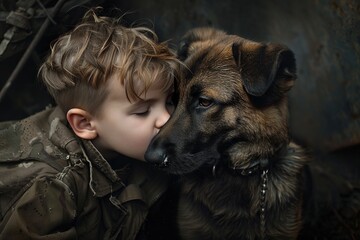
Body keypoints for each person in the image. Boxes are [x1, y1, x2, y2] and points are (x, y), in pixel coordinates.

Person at [0, 7, 181, 240]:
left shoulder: (120, 140)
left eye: (169, 101)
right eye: (143, 111)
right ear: (84, 124)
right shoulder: (49, 190)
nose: (167, 118)